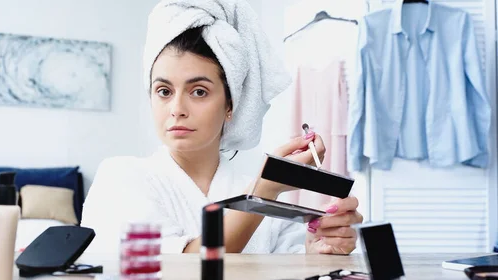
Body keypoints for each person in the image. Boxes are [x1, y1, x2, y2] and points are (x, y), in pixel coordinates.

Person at [81, 0, 362, 256]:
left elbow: (294, 273)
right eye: (164, 91)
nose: (176, 108)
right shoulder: (119, 177)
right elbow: (174, 270)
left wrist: (319, 248)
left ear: (230, 105)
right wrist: (261, 195)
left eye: (199, 92)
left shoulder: (255, 191)